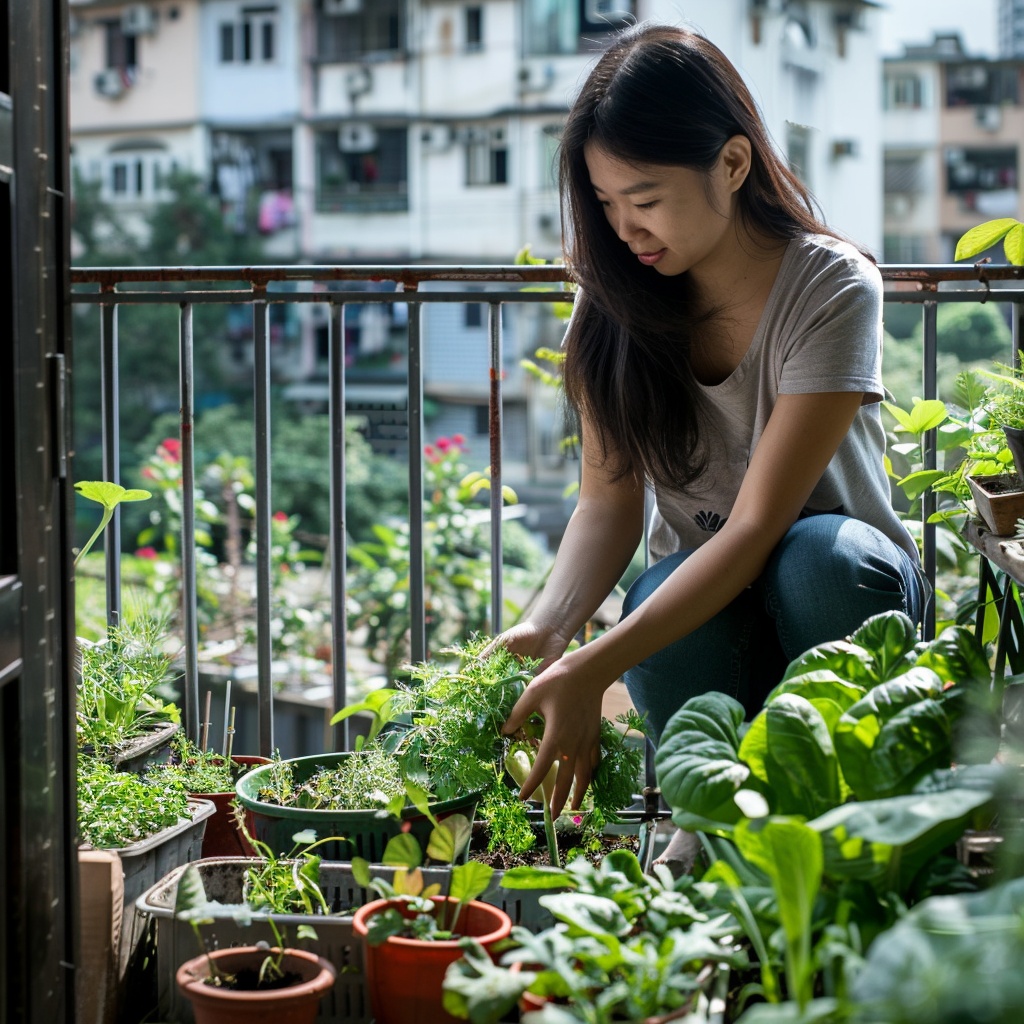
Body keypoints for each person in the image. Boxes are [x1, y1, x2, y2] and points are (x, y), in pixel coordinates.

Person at [496, 23, 925, 819]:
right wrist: (547, 628)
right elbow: (607, 503)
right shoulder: (614, 302)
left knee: (815, 557)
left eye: (647, 200)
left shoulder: (831, 287)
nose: (626, 231)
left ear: (732, 163)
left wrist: (595, 669)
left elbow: (760, 525)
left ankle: (861, 816)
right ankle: (710, 835)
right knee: (658, 596)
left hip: (844, 592)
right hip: (705, 606)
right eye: (606, 204)